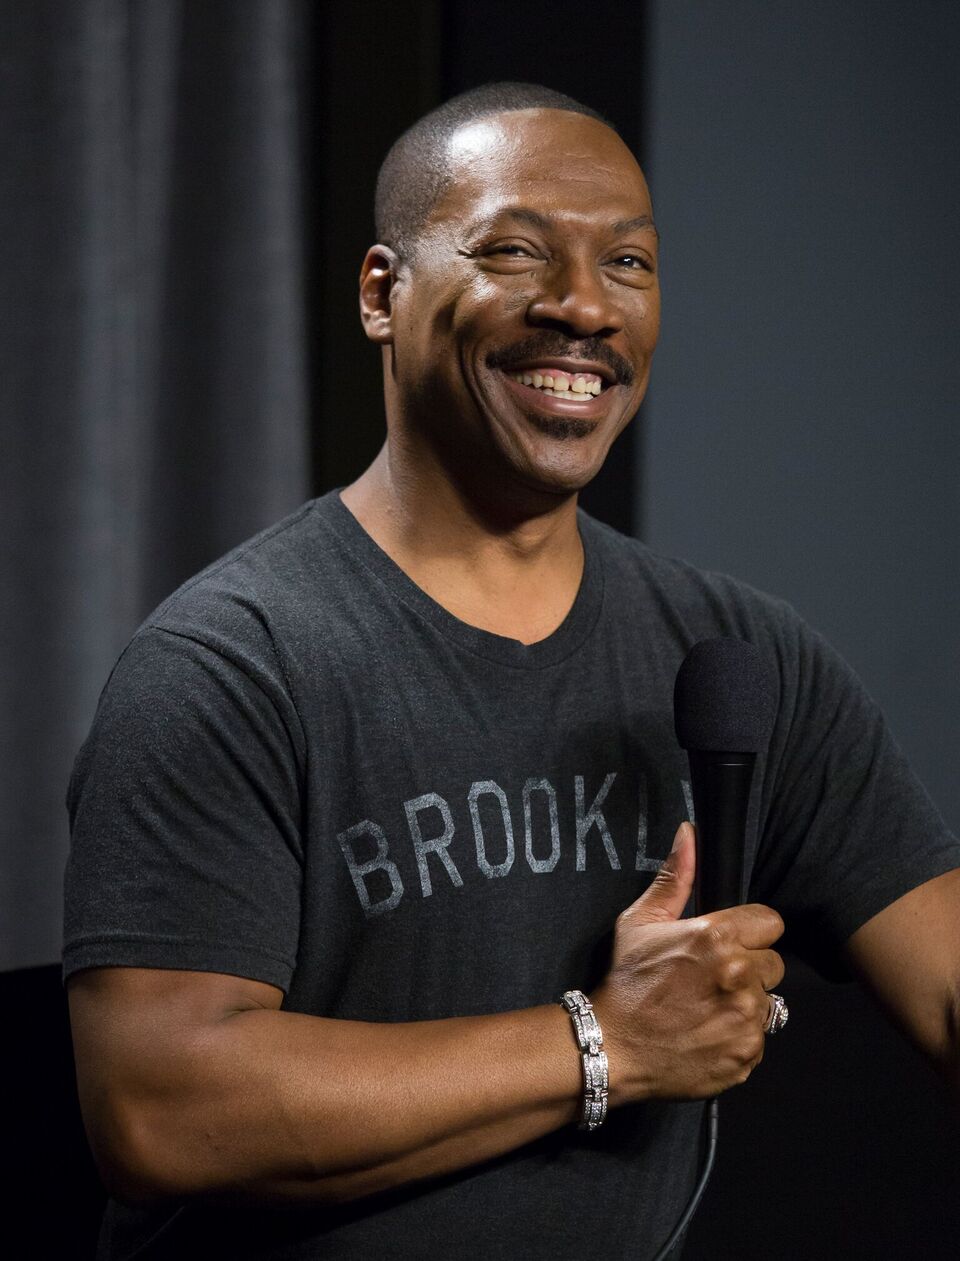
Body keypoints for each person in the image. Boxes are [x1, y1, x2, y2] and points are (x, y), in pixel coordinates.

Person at [64, 82, 960, 1260]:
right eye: (516, 251)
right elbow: (160, 1106)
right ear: (385, 294)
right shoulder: (232, 663)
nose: (584, 306)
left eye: (629, 264)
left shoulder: (740, 656)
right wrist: (609, 1043)